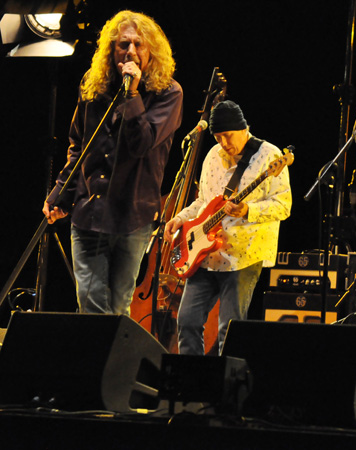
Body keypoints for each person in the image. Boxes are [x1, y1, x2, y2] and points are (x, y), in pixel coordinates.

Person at [42, 10, 183, 315]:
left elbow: (142, 143)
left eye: (138, 44)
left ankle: (109, 348)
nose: (130, 51)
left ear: (151, 51)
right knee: (90, 305)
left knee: (118, 309)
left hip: (132, 217)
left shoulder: (168, 93)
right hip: (89, 212)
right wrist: (61, 193)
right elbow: (79, 145)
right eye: (123, 44)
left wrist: (131, 94)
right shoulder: (93, 85)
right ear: (111, 50)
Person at [164, 100, 292, 355]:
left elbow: (283, 206)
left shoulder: (269, 156)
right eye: (218, 137)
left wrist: (248, 210)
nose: (223, 143)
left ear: (244, 129)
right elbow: (203, 202)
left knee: (229, 329)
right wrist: (180, 218)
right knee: (187, 321)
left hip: (243, 256)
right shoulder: (213, 155)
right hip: (205, 255)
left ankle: (226, 379)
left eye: (228, 135)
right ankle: (191, 377)